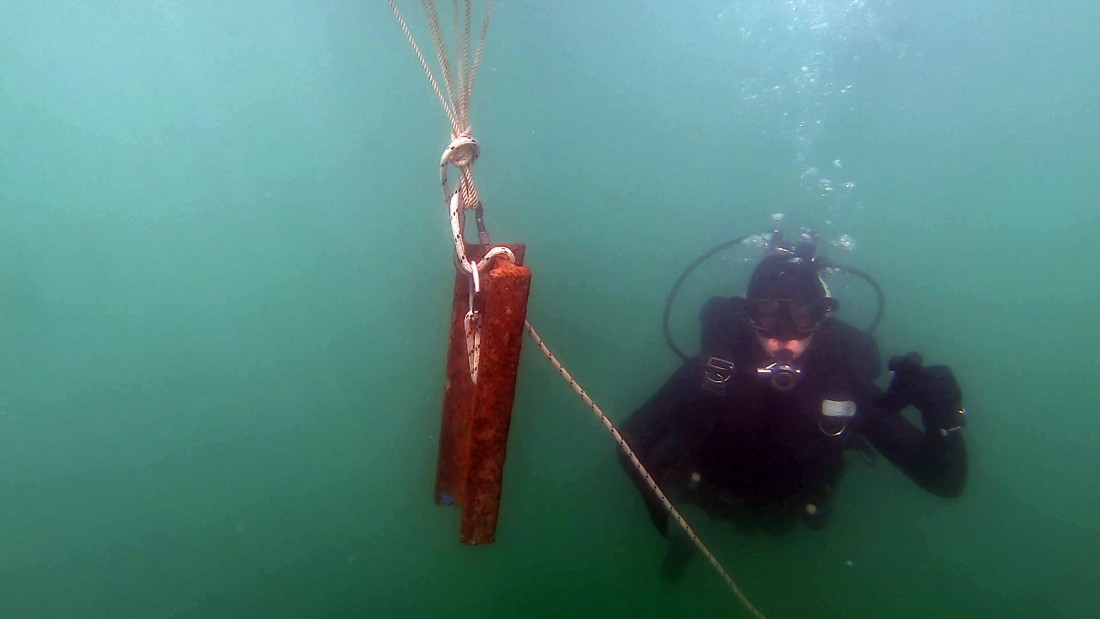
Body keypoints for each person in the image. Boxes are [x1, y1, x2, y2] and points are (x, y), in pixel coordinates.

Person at [620, 233, 968, 546]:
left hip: (786, 516)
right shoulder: (714, 371)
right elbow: (630, 441)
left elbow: (944, 481)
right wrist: (657, 501)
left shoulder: (843, 385)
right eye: (767, 314)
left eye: (804, 315)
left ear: (823, 318)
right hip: (704, 499)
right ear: (747, 316)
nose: (784, 333)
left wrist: (944, 421)